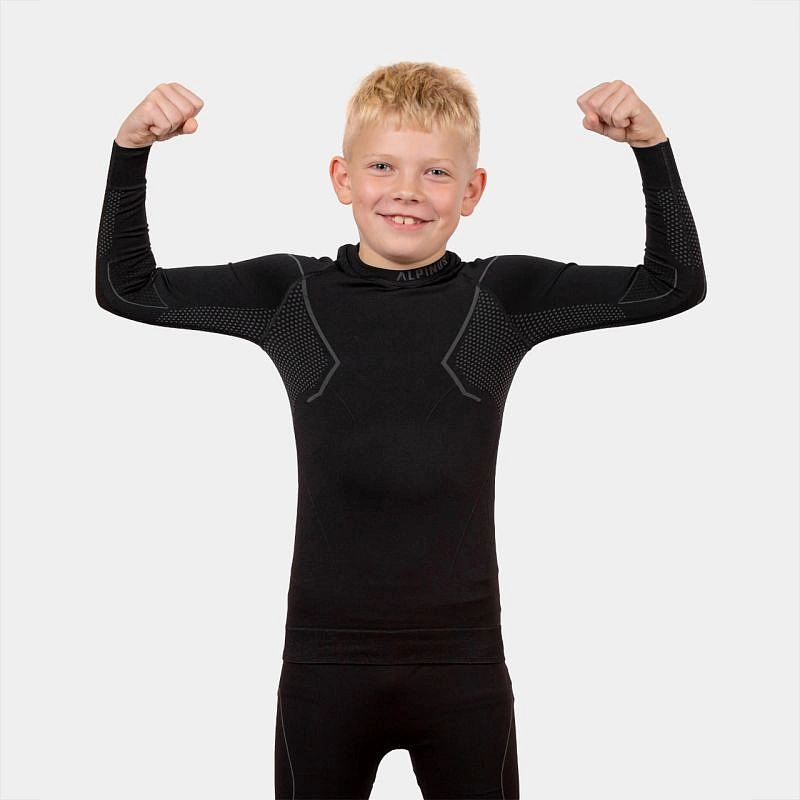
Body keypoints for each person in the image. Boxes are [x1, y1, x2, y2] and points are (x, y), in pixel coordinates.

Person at [95, 62, 706, 799]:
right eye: (382, 166)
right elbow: (129, 289)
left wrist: (652, 149)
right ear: (342, 178)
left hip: (462, 662)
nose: (408, 190)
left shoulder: (501, 297)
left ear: (472, 192)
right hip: (325, 662)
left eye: (437, 172)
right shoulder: (292, 296)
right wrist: (132, 151)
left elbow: (673, 284)